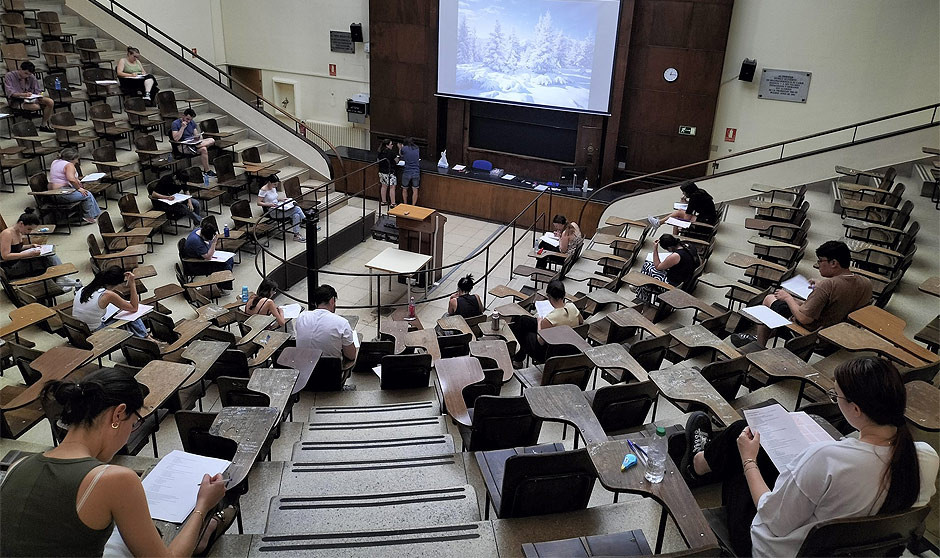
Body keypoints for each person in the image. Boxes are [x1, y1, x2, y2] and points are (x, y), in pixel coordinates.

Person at [678, 357, 938, 557]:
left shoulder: (826, 459)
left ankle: (697, 466)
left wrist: (748, 460)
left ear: (856, 409)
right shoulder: (926, 457)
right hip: (848, 548)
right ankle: (701, 462)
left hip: (773, 549)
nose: (835, 400)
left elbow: (772, 518)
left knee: (741, 445)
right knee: (755, 443)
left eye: (836, 396)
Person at [0, 368, 232, 557]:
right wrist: (203, 505)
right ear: (118, 414)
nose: (130, 433)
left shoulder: (17, 467)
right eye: (133, 423)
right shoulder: (114, 480)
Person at [733, 240, 872, 347]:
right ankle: (761, 338)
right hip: (838, 333)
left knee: (770, 299)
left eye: (820, 261)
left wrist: (787, 298)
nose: (818, 265)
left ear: (834, 263)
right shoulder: (866, 283)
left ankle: (759, 346)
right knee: (793, 301)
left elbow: (804, 319)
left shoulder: (828, 285)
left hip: (809, 334)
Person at [0, 208, 80, 290]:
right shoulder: (7, 234)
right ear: (21, 224)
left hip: (18, 261)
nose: (29, 232)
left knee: (49, 255)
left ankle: (61, 278)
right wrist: (27, 254)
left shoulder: (19, 232)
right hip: (11, 267)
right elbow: (5, 255)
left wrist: (31, 246)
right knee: (47, 260)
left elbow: (17, 248)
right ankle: (60, 278)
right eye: (29, 229)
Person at [508, 279, 582, 366]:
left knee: (525, 333)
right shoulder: (572, 307)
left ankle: (518, 358)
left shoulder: (550, 319)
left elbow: (540, 341)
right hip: (567, 342)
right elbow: (581, 321)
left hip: (548, 351)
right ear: (564, 294)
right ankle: (518, 357)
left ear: (549, 296)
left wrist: (540, 322)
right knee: (524, 320)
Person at [72, 267, 150, 339]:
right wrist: (132, 284)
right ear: (115, 284)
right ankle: (147, 338)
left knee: (122, 312)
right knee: (132, 316)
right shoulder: (107, 295)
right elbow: (134, 307)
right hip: (95, 332)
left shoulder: (83, 289)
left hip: (81, 329)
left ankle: (146, 337)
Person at [295, 284, 357, 362]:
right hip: (329, 371)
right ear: (332, 301)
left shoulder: (302, 317)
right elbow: (351, 355)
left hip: (303, 367)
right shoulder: (342, 323)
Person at [48, 148, 102, 224]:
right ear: (72, 159)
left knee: (86, 192)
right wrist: (79, 188)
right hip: (61, 193)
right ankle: (89, 216)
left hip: (54, 193)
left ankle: (95, 214)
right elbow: (71, 179)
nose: (77, 161)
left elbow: (63, 177)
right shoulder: (69, 165)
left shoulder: (55, 162)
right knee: (87, 194)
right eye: (76, 159)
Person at [3, 61, 54, 132]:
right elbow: (10, 92)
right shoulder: (9, 76)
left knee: (50, 102)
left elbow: (36, 89)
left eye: (29, 74)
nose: (26, 76)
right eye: (25, 73)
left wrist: (38, 94)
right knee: (36, 107)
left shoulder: (31, 77)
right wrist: (22, 95)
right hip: (17, 100)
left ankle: (44, 124)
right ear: (20, 69)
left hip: (32, 98)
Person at [648, 181, 717, 230]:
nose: (683, 193)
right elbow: (696, 206)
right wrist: (686, 202)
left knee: (678, 213)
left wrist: (680, 218)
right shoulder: (700, 191)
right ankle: (675, 238)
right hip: (709, 217)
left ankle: (658, 223)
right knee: (678, 215)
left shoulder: (694, 197)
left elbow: (687, 216)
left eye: (684, 192)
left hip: (705, 222)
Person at [257, 174, 305, 242]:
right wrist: (269, 204)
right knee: (297, 209)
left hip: (278, 206)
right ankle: (306, 220)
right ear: (269, 182)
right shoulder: (263, 190)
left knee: (296, 215)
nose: (275, 186)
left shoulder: (273, 188)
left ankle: (296, 235)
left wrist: (281, 199)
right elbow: (258, 203)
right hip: (272, 210)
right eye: (274, 184)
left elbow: (275, 198)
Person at [172, 108, 216, 177]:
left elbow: (196, 134)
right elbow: (176, 138)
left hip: (192, 143)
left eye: (190, 119)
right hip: (183, 145)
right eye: (187, 119)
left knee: (212, 140)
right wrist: (182, 128)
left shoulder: (192, 122)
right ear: (183, 115)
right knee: (204, 149)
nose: (189, 121)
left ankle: (207, 171)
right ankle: (207, 170)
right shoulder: (175, 123)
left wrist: (198, 137)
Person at [377, 139, 400, 207]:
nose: (392, 145)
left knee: (384, 186)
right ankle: (393, 203)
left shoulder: (380, 151)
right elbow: (397, 161)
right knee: (392, 187)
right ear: (387, 145)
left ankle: (383, 201)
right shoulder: (391, 153)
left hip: (382, 172)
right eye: (391, 144)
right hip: (390, 172)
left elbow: (378, 160)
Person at [400, 137, 420, 206]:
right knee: (415, 189)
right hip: (416, 171)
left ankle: (405, 204)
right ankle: (413, 205)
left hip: (407, 171)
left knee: (404, 189)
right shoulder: (417, 148)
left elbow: (401, 154)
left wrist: (400, 147)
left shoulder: (404, 148)